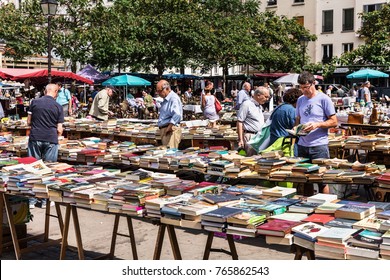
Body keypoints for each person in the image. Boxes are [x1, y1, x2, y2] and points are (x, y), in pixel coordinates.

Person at [295, 71, 337, 194]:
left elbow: (334, 121)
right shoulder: (300, 100)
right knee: (306, 179)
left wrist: (317, 124)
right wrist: (296, 129)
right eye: (301, 88)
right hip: (303, 145)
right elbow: (298, 119)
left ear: (314, 83)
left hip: (319, 145)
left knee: (321, 179)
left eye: (306, 87)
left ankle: (324, 207)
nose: (303, 91)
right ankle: (309, 207)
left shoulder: (324, 99)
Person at [27, 84, 64, 208]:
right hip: (51, 139)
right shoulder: (58, 106)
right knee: (48, 170)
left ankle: (32, 200)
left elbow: (28, 121)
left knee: (34, 168)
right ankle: (45, 201)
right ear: (55, 92)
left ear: (45, 91)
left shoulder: (34, 102)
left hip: (35, 137)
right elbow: (60, 129)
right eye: (57, 92)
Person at [237, 87, 270, 156]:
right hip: (250, 136)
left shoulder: (259, 106)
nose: (267, 99)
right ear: (258, 95)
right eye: (266, 97)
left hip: (258, 136)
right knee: (250, 159)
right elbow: (240, 122)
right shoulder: (246, 104)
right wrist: (241, 140)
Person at [156, 80, 183, 148]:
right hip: (166, 130)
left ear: (167, 88)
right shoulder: (166, 99)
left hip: (170, 131)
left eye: (159, 91)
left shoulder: (173, 98)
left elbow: (177, 114)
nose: (158, 93)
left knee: (170, 154)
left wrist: (169, 127)